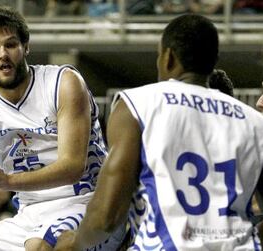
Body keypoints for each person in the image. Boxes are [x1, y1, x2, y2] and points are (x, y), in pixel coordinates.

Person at [55, 13, 263, 250]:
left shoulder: (138, 105)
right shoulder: (254, 121)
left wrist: (74, 242)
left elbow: (107, 214)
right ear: (213, 60)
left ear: (168, 57)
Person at [0, 7, 124, 251]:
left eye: (10, 45)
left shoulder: (63, 83)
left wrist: (7, 180)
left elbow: (72, 167)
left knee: (41, 247)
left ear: (25, 47)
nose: (3, 54)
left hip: (90, 203)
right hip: (29, 216)